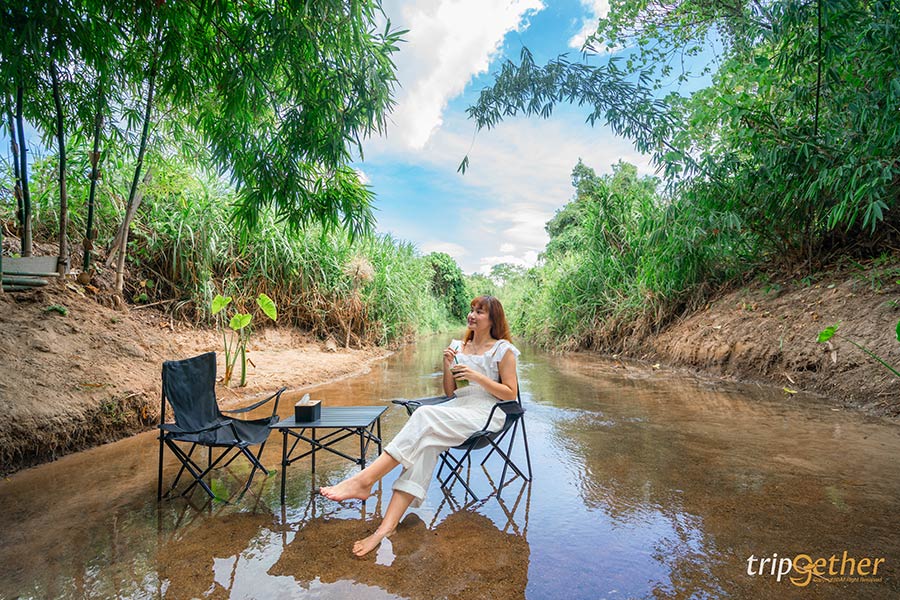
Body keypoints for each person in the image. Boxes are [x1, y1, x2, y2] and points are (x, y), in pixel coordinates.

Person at [319, 295, 520, 556]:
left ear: (493, 319)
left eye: (480, 312)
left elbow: (511, 393)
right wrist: (448, 366)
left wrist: (477, 377)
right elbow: (450, 393)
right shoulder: (457, 346)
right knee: (425, 445)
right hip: (458, 408)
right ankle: (385, 528)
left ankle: (364, 480)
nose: (472, 315)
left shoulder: (502, 349)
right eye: (471, 309)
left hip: (486, 412)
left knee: (424, 415)